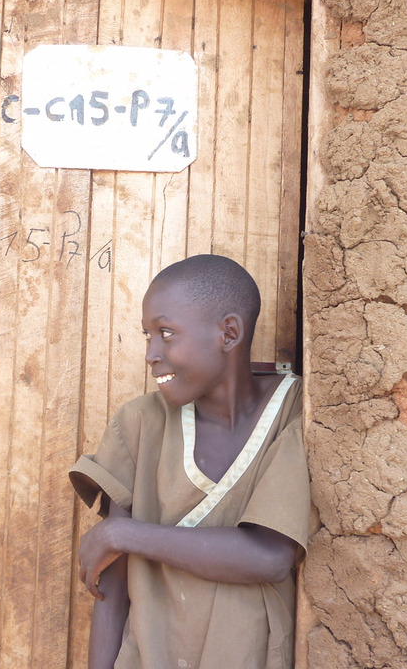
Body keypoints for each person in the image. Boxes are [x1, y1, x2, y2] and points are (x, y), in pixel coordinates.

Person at [69, 254, 310, 669]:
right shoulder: (140, 422)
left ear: (228, 333)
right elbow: (111, 586)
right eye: (147, 336)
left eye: (166, 333)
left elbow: (270, 557)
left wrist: (124, 535)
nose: (151, 353)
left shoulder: (298, 414)